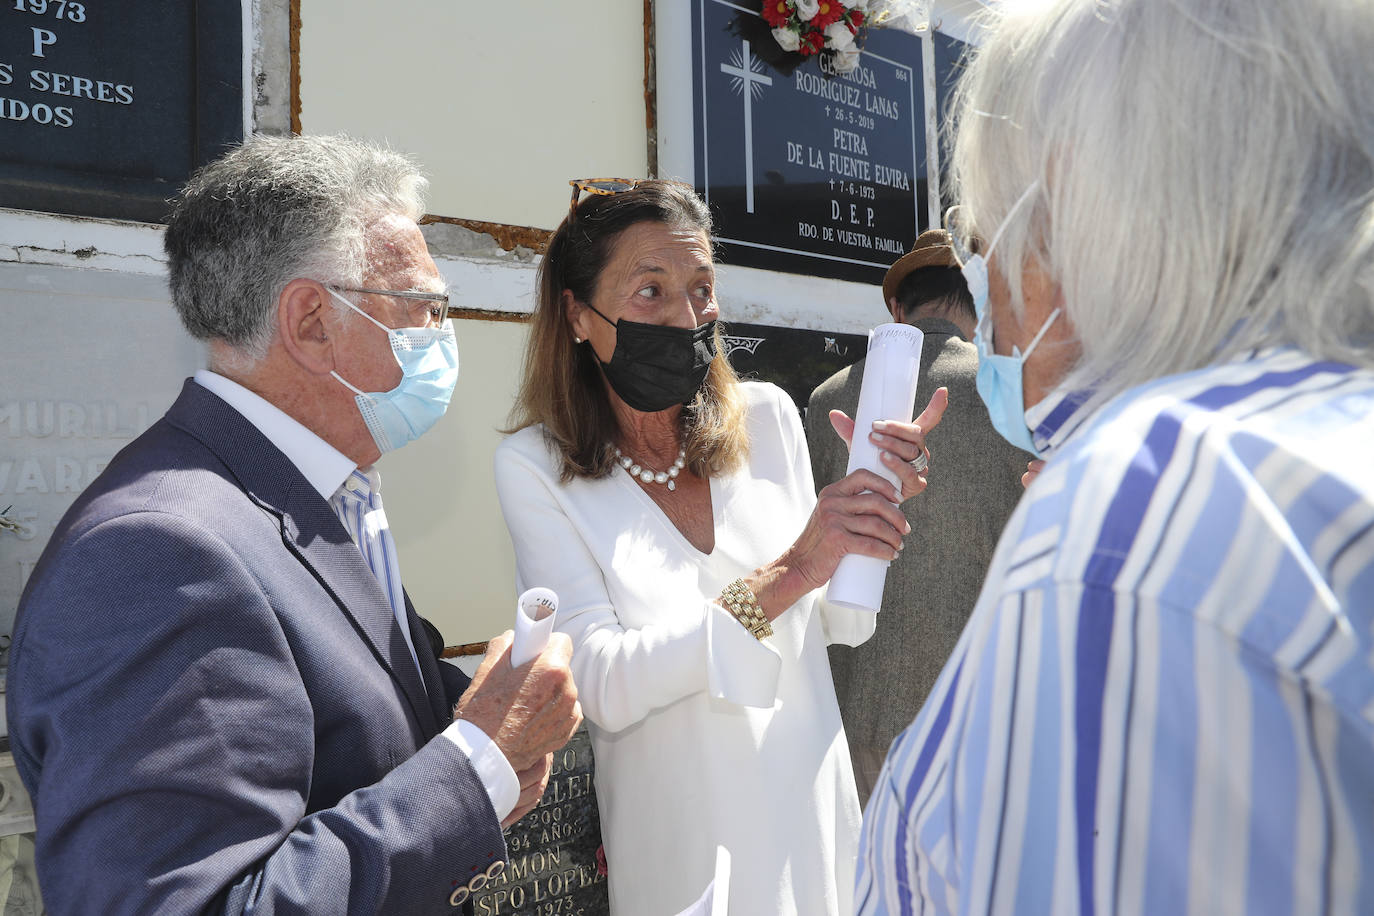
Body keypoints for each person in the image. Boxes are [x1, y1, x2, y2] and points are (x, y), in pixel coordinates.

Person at [856, 1, 1374, 913]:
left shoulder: (1145, 505)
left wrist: (1100, 532)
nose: (989, 286)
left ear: (1072, 228)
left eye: (986, 242)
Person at [6, 135, 583, 915]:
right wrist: (478, 760)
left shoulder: (313, 493)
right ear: (312, 320)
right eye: (423, 308)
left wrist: (478, 708)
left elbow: (346, 726)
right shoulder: (159, 551)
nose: (440, 336)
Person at [493, 178, 948, 915]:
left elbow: (843, 622)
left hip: (812, 811)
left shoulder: (766, 417)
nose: (686, 314)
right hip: (684, 842)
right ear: (579, 315)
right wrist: (792, 569)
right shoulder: (536, 467)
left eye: (702, 288)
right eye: (651, 290)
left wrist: (868, 518)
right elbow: (602, 684)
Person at [806, 229, 1030, 806]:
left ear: (898, 310)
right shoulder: (1007, 393)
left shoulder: (827, 398)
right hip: (979, 717)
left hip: (854, 712)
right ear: (976, 308)